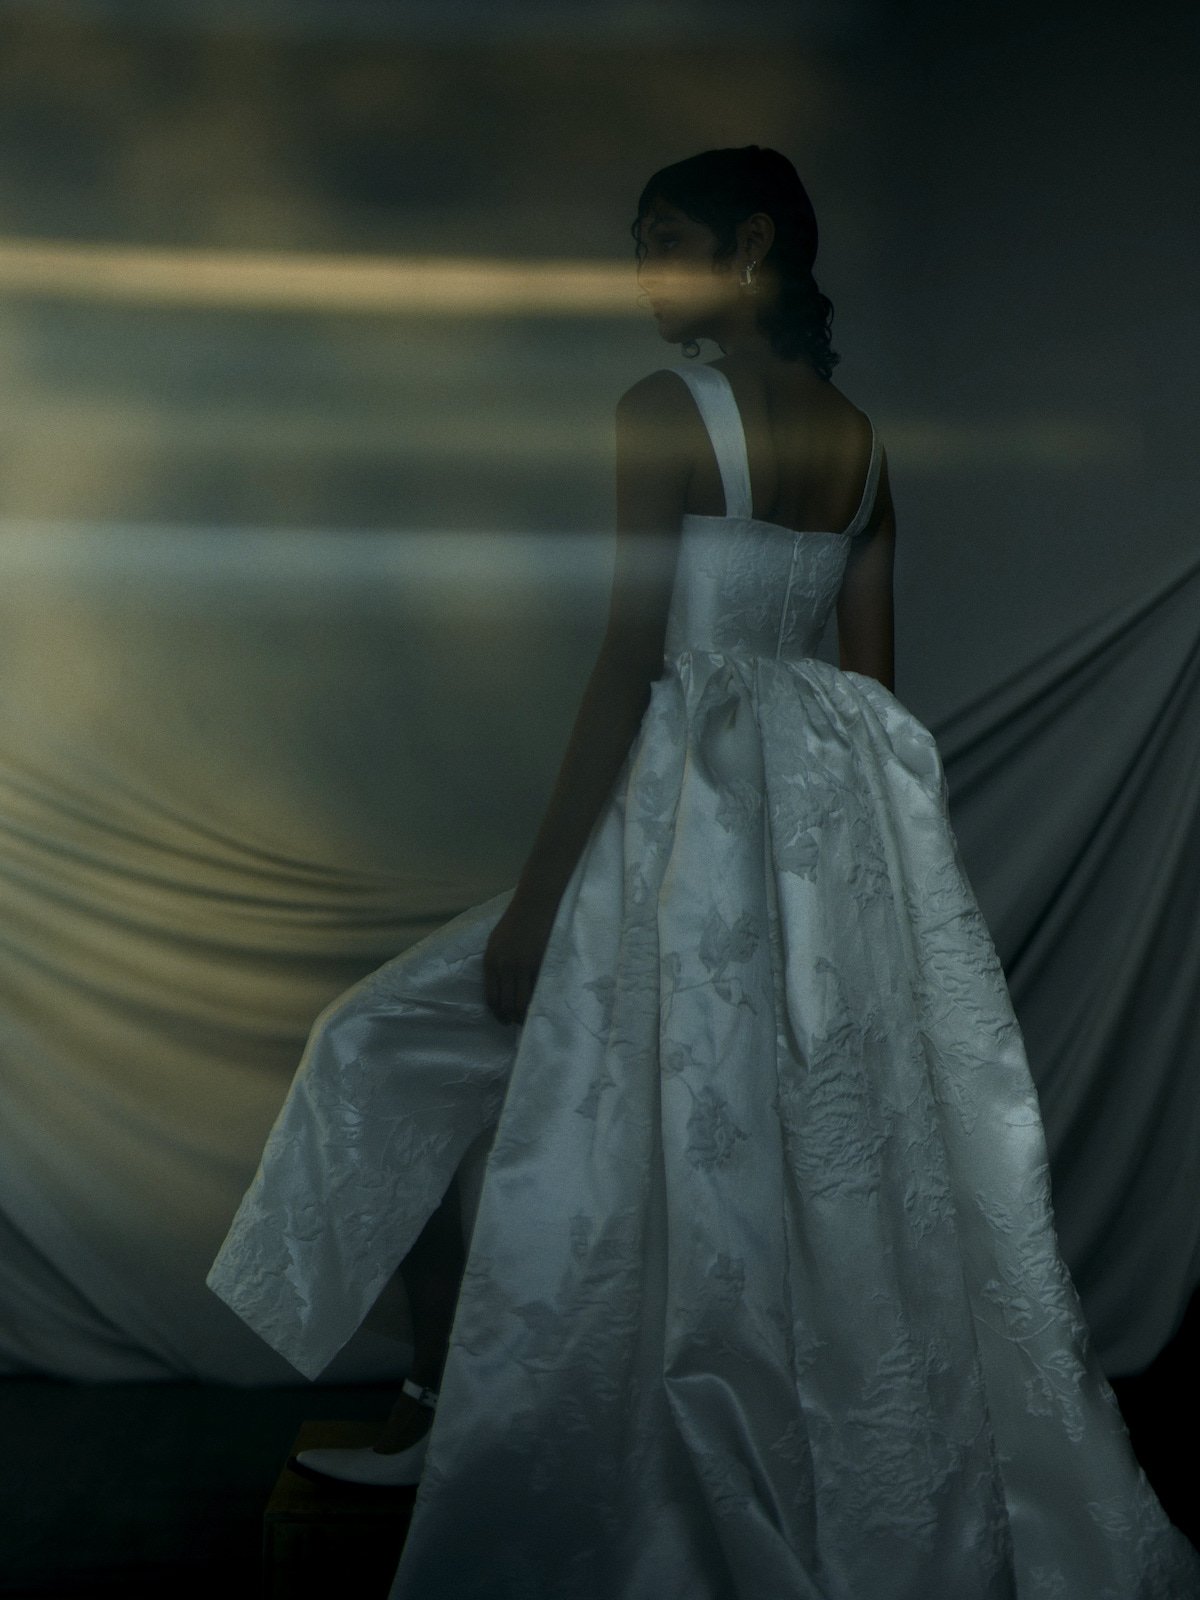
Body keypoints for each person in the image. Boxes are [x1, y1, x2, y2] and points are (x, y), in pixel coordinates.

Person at [207, 145, 1200, 1599]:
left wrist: (544, 904)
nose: (640, 273)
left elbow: (632, 661)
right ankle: (515, 1408)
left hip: (678, 823)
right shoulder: (860, 440)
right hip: (814, 854)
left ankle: (494, 1419)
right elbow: (877, 700)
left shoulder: (664, 411)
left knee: (474, 1065)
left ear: (750, 249)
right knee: (741, 1145)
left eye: (663, 240)